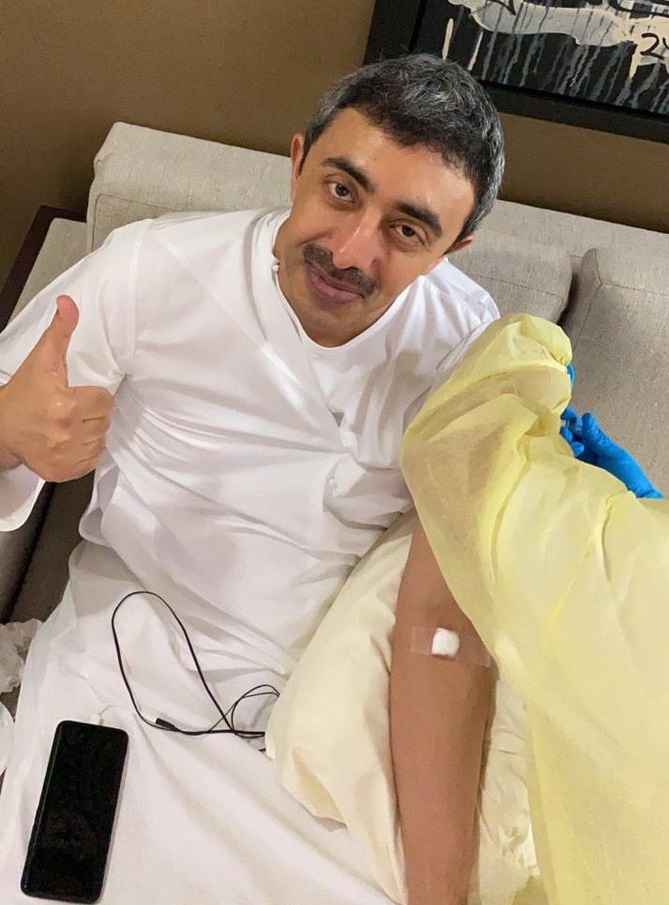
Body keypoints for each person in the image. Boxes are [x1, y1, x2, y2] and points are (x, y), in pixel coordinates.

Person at [0, 55, 504, 904]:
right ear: (297, 162)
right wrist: (10, 431)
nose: (350, 250)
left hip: (325, 697)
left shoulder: (465, 351)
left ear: (452, 250)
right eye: (341, 190)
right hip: (126, 656)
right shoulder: (153, 267)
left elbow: (440, 619)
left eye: (406, 231)